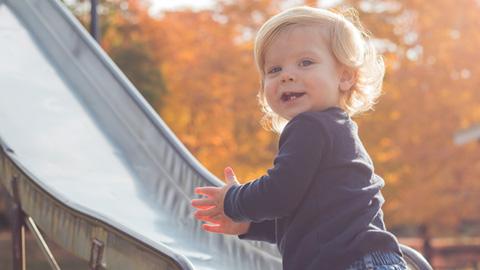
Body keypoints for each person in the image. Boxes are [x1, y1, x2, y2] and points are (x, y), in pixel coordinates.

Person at [191, 6, 407, 270]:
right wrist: (249, 224)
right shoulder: (337, 130)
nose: (287, 75)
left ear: (345, 76)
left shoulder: (310, 126)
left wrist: (233, 200)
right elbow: (309, 218)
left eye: (305, 62)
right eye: (274, 69)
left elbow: (278, 194)